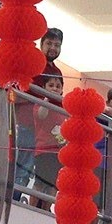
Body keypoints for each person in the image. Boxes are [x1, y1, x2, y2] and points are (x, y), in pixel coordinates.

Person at [14, 28, 62, 199]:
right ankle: (14, 202)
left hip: (47, 134)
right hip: (27, 123)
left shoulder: (57, 72)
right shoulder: (32, 62)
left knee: (43, 176)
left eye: (57, 45)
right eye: (49, 43)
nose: (53, 48)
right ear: (42, 44)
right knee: (23, 169)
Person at [31, 73, 66, 210]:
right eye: (51, 85)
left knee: (53, 185)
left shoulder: (64, 109)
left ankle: (46, 209)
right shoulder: (40, 103)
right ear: (44, 87)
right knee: (40, 182)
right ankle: (32, 207)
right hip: (44, 150)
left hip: (59, 153)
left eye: (58, 86)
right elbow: (41, 115)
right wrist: (46, 100)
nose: (55, 89)